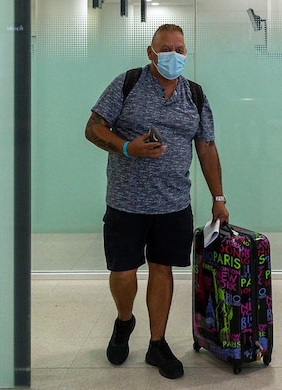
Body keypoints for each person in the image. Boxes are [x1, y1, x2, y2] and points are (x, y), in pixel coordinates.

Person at [84, 23, 229, 379]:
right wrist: (127, 148)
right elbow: (93, 128)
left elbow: (206, 146)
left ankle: (157, 343)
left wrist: (219, 198)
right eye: (167, 48)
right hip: (125, 202)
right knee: (123, 272)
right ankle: (124, 321)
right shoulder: (127, 84)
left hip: (173, 204)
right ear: (151, 52)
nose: (174, 56)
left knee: (162, 270)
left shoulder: (194, 94)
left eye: (180, 49)